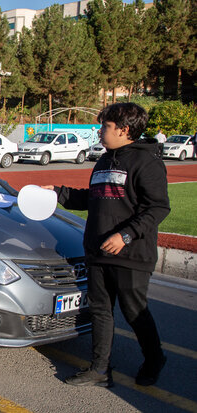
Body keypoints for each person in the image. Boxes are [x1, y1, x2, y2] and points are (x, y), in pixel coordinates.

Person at [42, 103, 170, 388]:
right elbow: (94, 199)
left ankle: (154, 359)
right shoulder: (104, 161)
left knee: (135, 311)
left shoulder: (147, 163)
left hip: (130, 254)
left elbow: (158, 208)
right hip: (98, 251)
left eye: (105, 127)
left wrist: (125, 235)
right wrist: (58, 193)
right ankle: (100, 370)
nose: (100, 132)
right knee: (101, 310)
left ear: (124, 130)